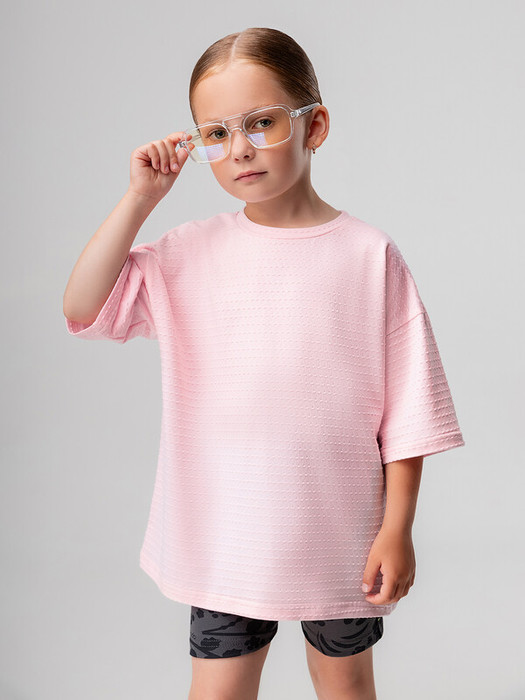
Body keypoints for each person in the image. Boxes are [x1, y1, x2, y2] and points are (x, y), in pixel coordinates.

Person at [63, 26, 465, 700]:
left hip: (340, 530)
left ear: (314, 126)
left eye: (261, 122)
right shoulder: (187, 252)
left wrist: (396, 528)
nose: (240, 148)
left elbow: (409, 409)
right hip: (226, 531)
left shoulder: (368, 255)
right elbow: (82, 307)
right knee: (219, 691)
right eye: (216, 134)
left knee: (345, 685)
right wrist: (140, 200)